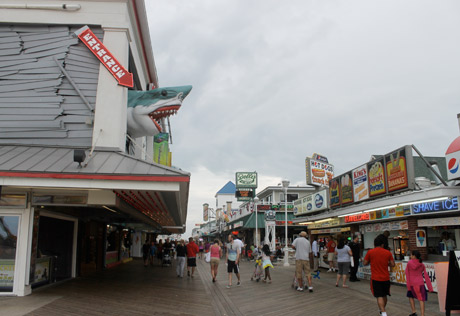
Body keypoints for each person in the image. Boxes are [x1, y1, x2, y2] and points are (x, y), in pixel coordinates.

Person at [363, 234, 395, 316]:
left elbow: (365, 263)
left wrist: (372, 261)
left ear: (374, 244)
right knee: (384, 295)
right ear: (382, 244)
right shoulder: (388, 253)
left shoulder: (370, 252)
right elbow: (393, 264)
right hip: (386, 278)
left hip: (375, 278)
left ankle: (383, 312)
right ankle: (382, 310)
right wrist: (386, 263)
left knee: (379, 296)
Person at [405, 250, 433, 316]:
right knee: (421, 299)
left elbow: (407, 274)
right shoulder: (422, 265)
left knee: (410, 297)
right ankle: (422, 314)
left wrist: (408, 286)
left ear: (414, 256)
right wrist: (430, 287)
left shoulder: (409, 263)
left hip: (412, 283)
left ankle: (414, 311)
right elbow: (426, 276)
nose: (410, 256)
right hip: (420, 283)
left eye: (411, 255)